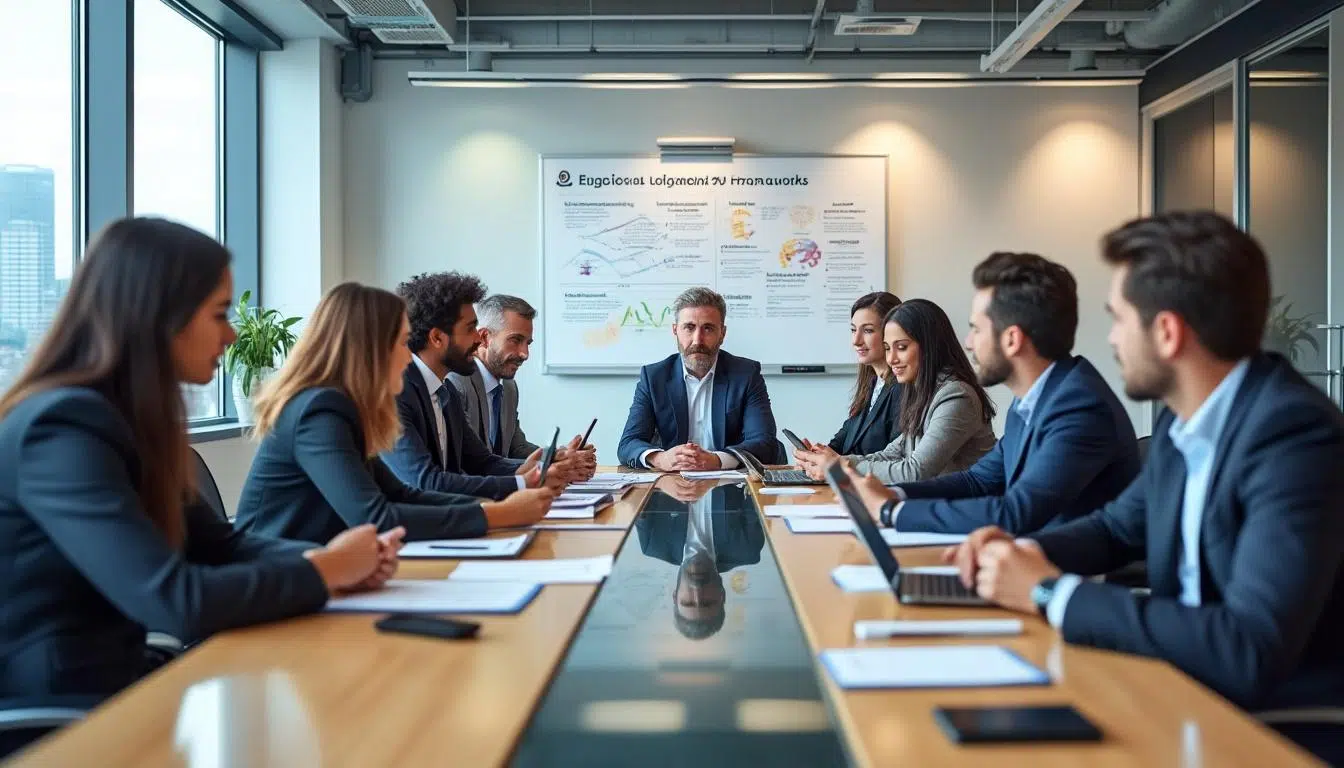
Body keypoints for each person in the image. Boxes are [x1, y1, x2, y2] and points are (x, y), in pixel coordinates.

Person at [874, 212, 1344, 764]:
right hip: (1176, 681)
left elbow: (1250, 648)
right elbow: (1120, 526)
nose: (1113, 338)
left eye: (1119, 319)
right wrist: (1026, 552)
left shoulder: (1293, 435)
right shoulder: (1183, 417)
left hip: (1263, 723)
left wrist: (1049, 592)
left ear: (1167, 332)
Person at [0, 218, 398, 706]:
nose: (232, 336)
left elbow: (220, 544)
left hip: (119, 685)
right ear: (159, 316)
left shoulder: (128, 421)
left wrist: (336, 562)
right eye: (219, 314)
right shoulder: (61, 428)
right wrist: (327, 570)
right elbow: (175, 600)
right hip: (58, 714)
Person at [234, 283, 554, 544]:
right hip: (281, 578)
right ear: (368, 349)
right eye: (402, 343)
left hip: (323, 568)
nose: (407, 356)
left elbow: (401, 494)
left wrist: (508, 501)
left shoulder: (345, 406)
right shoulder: (319, 411)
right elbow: (377, 517)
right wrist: (497, 514)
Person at [857, 252, 1140, 535]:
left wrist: (893, 512)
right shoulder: (1034, 399)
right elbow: (976, 481)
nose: (968, 343)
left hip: (1064, 567)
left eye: (976, 330)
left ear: (1012, 339)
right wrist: (897, 496)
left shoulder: (1079, 408)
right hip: (1025, 557)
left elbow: (1016, 512)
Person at [384, 275, 581, 498]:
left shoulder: (444, 392)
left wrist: (529, 468)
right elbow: (426, 481)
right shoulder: (395, 395)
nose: (478, 340)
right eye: (470, 329)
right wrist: (521, 484)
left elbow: (481, 462)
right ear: (437, 338)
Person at [796, 298, 996, 484]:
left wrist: (839, 467)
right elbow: (891, 454)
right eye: (887, 348)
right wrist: (831, 462)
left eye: (901, 347)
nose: (891, 359)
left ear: (929, 346)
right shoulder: (921, 391)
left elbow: (915, 471)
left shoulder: (956, 396)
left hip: (963, 511)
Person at [617, 287, 780, 470]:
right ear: (675, 330)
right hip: (672, 485)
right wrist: (660, 458)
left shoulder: (746, 375)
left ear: (722, 333)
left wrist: (717, 460)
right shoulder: (654, 377)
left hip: (729, 485)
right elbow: (628, 444)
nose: (697, 340)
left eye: (708, 329)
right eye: (689, 327)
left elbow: (765, 443)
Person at [450, 294, 596, 478]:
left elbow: (516, 448)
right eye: (515, 340)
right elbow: (472, 462)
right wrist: (553, 464)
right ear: (485, 338)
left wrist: (561, 455)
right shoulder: (457, 382)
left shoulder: (509, 387)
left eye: (528, 343)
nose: (524, 354)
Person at [636, 482, 765, 640]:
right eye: (707, 602)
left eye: (688, 602)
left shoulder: (653, 543)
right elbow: (759, 483)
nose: (697, 592)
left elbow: (638, 485)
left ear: (675, 596)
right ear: (722, 595)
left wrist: (660, 464)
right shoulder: (746, 549)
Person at [821, 291, 904, 456]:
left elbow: (895, 460)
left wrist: (833, 467)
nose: (856, 340)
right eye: (853, 330)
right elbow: (840, 444)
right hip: (847, 480)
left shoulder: (903, 388)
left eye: (867, 330)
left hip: (874, 480)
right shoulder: (872, 384)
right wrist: (816, 456)